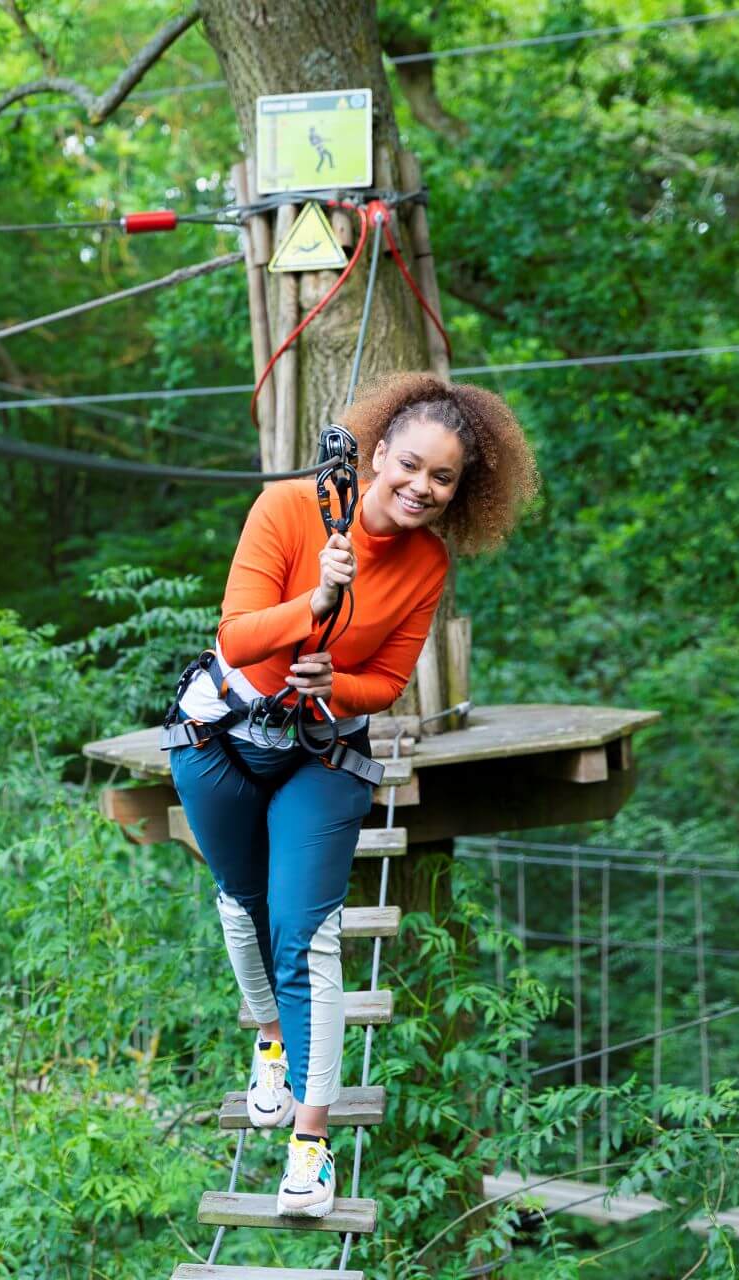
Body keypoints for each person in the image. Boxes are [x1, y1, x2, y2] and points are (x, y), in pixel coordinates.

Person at [165, 373, 538, 1218]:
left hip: (321, 750)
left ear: (461, 491)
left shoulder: (427, 562)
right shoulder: (290, 512)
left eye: (442, 480)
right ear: (375, 456)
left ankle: (311, 1141)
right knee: (242, 903)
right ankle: (269, 1039)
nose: (421, 489)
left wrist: (337, 679)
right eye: (410, 466)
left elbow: (390, 679)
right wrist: (318, 600)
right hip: (221, 735)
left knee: (308, 933)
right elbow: (236, 635)